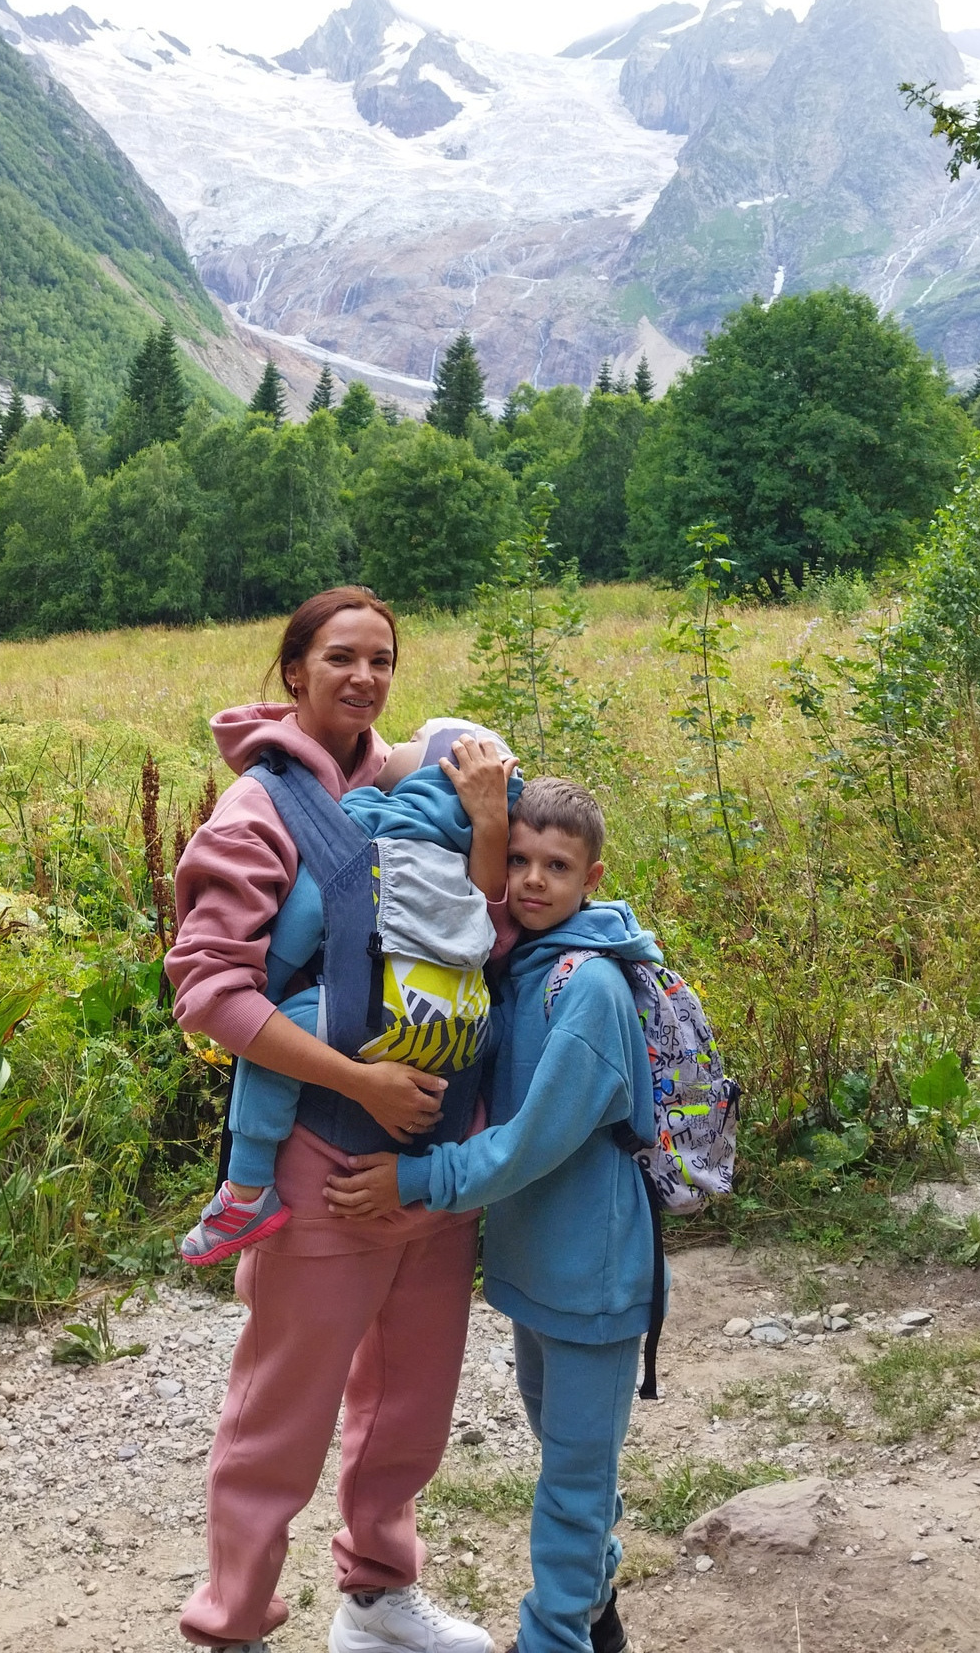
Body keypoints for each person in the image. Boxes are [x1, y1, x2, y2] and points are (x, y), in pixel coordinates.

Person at [166, 588, 499, 1653]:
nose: (364, 677)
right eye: (342, 657)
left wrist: (489, 816)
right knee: (283, 1414)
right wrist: (360, 1084)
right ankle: (234, 1625)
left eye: (383, 659)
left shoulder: (413, 786)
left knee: (409, 1397)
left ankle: (378, 1597)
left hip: (431, 1158)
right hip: (321, 1154)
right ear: (294, 669)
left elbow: (480, 931)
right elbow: (211, 990)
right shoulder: (257, 811)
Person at [324, 777, 664, 1653]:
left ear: (593, 877)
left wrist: (415, 1179)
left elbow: (524, 1147)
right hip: (537, 1272)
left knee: (572, 1479)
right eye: (517, 859)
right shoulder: (521, 965)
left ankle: (555, 1636)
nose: (531, 880)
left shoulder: (587, 988)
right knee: (573, 1461)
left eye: (557, 865)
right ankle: (595, 1607)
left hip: (595, 1275)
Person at [180, 716, 519, 1266]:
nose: (396, 742)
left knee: (276, 1039)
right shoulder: (467, 853)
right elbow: (492, 939)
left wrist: (275, 972)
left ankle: (245, 1191)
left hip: (385, 1013)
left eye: (413, 740)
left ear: (439, 771)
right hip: (461, 1027)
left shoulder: (372, 826)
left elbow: (320, 905)